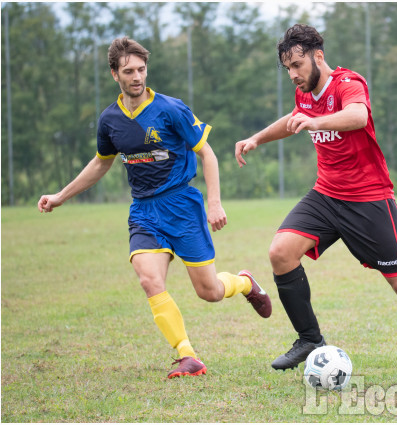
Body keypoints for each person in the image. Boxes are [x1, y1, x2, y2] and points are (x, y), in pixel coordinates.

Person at [234, 24, 397, 381]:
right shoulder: (305, 92)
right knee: (280, 252)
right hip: (326, 195)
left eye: (297, 65)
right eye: (288, 68)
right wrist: (256, 138)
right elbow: (293, 121)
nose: (293, 74)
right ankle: (309, 339)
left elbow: (358, 116)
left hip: (369, 199)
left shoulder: (347, 83)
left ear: (318, 56)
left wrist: (316, 121)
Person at [38, 37, 272, 379]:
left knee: (209, 292)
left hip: (182, 206)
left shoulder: (170, 109)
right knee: (149, 280)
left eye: (141, 70)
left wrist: (214, 202)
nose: (137, 77)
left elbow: (206, 153)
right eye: (129, 71)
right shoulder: (109, 121)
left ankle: (245, 283)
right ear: (114, 74)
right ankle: (187, 355)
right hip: (144, 212)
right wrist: (61, 195)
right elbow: (102, 162)